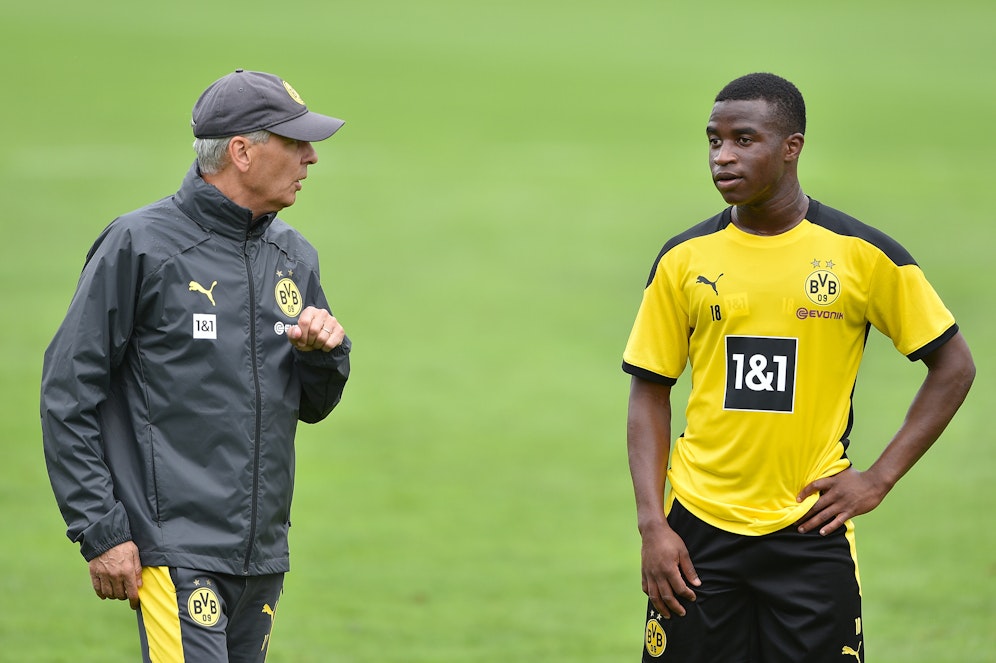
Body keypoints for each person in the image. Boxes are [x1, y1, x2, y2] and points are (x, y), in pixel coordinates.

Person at [622, 73, 975, 662]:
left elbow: (954, 366)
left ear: (792, 147)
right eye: (714, 140)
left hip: (811, 532)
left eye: (744, 139)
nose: (723, 156)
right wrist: (652, 526)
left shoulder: (863, 255)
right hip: (697, 531)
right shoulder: (683, 259)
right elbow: (648, 392)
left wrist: (878, 479)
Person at [40, 69, 352, 662]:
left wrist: (324, 355)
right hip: (173, 551)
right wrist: (102, 530)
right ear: (242, 152)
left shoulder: (293, 257)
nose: (311, 157)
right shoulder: (140, 246)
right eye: (295, 142)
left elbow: (312, 405)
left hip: (261, 557)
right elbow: (67, 393)